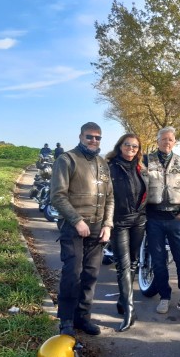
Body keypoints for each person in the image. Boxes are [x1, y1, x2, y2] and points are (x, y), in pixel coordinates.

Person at [50, 122, 114, 336]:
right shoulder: (66, 159)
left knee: (90, 274)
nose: (93, 140)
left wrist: (108, 224)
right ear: (80, 136)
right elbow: (57, 196)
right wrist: (77, 220)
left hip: (97, 228)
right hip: (73, 227)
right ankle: (66, 320)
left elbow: (110, 197)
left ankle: (83, 317)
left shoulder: (102, 163)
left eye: (97, 137)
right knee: (72, 274)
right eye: (89, 136)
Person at [145, 127, 180, 314]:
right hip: (154, 218)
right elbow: (138, 186)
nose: (167, 142)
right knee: (158, 261)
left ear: (174, 142)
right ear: (157, 141)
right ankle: (164, 296)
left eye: (170, 139)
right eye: (163, 139)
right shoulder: (146, 161)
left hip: (176, 218)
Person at [104, 134, 148, 332]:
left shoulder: (141, 167)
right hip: (119, 221)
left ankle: (123, 301)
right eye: (127, 145)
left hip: (139, 220)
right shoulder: (109, 167)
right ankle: (130, 311)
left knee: (133, 262)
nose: (131, 148)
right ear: (120, 146)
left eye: (135, 146)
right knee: (123, 265)